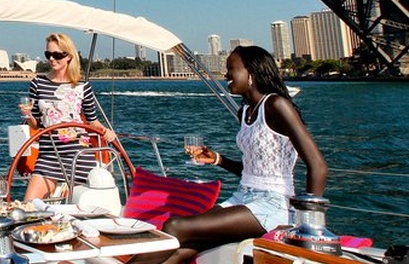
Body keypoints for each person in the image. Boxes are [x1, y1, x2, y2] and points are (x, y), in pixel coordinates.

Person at [132, 45, 328, 264]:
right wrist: (218, 159)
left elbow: (318, 165)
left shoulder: (276, 105)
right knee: (186, 246)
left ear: (251, 73)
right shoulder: (245, 112)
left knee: (175, 226)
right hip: (243, 197)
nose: (226, 75)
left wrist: (308, 224)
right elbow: (254, 171)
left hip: (274, 205)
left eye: (231, 68)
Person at [18, 32, 117, 200]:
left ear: (69, 56)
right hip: (49, 154)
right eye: (48, 54)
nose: (51, 59)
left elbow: (92, 121)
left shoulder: (83, 86)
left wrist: (107, 131)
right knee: (29, 205)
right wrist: (27, 115)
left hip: (79, 154)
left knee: (87, 206)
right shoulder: (38, 83)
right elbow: (36, 125)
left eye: (57, 55)